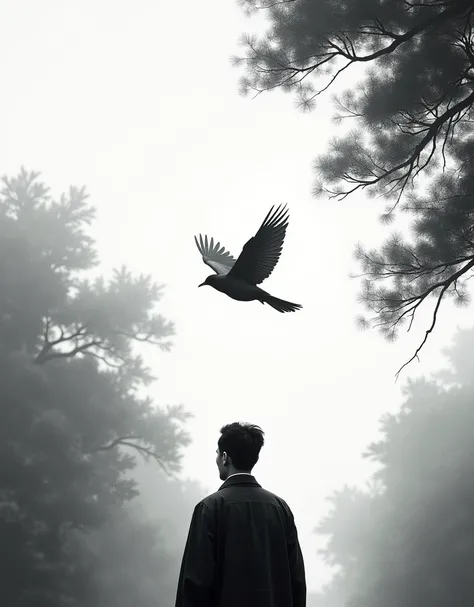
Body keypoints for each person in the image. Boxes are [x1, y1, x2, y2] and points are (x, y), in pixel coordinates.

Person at [175, 422, 306, 607]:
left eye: (217, 453)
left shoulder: (209, 508)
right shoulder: (280, 509)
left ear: (225, 457)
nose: (217, 459)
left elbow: (195, 584)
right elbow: (297, 582)